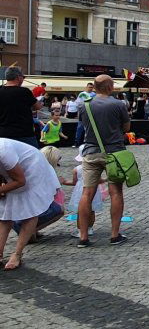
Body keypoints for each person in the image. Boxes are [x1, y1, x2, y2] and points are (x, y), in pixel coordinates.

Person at [76, 75, 131, 247]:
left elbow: (83, 126)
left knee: (87, 193)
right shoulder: (118, 104)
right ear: (108, 86)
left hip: (90, 152)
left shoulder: (84, 105)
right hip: (113, 153)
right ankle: (114, 235)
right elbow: (126, 128)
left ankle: (83, 237)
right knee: (116, 192)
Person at [0, 138, 63, 269]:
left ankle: (17, 254)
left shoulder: (4, 151)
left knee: (31, 209)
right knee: (5, 212)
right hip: (11, 171)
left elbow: (20, 181)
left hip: (33, 167)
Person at [0, 67, 44, 147]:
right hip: (24, 134)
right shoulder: (24, 91)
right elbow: (38, 106)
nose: (23, 79)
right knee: (32, 158)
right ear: (18, 77)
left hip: (3, 134)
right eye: (23, 77)